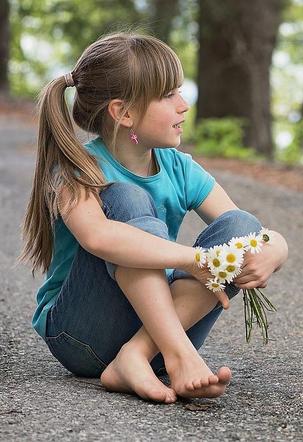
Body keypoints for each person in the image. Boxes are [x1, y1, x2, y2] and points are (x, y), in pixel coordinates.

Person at [20, 33, 288, 403]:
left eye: (180, 92)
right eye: (168, 95)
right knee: (126, 198)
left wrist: (276, 248)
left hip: (160, 333)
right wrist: (195, 259)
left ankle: (138, 355)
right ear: (124, 113)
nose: (184, 106)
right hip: (83, 336)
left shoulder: (179, 168)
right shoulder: (77, 170)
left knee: (241, 227)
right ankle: (175, 354)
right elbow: (98, 238)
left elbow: (245, 228)